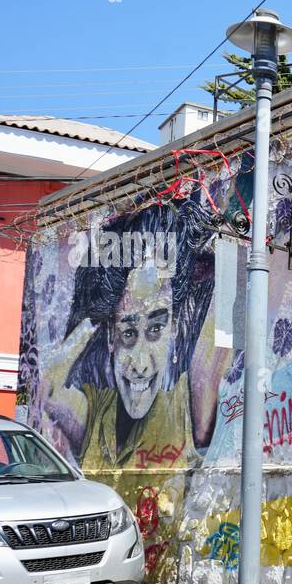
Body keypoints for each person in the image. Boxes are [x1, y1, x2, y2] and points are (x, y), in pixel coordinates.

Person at [43, 199, 232, 473]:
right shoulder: (97, 412)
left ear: (174, 329)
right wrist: (98, 315)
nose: (141, 364)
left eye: (156, 329)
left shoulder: (187, 409)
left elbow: (231, 278)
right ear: (111, 338)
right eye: (128, 333)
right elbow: (47, 387)